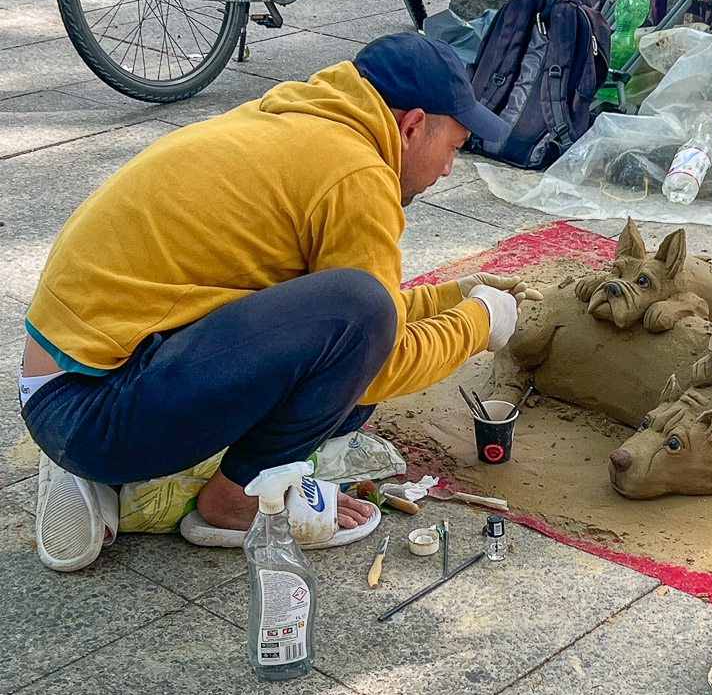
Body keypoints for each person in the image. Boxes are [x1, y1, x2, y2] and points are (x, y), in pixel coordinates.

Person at [20, 33, 530, 571]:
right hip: (88, 406)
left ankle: (130, 478)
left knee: (345, 389)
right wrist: (478, 323)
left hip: (76, 373)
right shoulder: (357, 175)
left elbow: (337, 320)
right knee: (358, 340)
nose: (449, 168)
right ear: (412, 126)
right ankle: (232, 501)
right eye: (453, 147)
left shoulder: (304, 120)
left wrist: (449, 296)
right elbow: (375, 351)